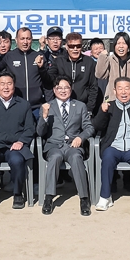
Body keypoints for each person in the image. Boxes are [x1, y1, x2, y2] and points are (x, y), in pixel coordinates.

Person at [0, 72, 35, 211]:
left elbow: (30, 128)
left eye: (9, 83)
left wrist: (21, 141)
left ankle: (17, 194)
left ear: (14, 86)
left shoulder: (23, 104)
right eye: (2, 84)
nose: (6, 87)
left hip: (14, 145)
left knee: (17, 160)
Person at [37, 77, 94, 216]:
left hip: (72, 145)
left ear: (71, 89)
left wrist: (81, 137)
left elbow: (89, 127)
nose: (63, 91)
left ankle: (84, 198)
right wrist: (44, 117)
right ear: (54, 90)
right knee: (55, 157)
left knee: (76, 157)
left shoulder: (80, 106)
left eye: (66, 87)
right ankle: (49, 197)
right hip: (54, 145)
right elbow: (40, 132)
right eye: (59, 88)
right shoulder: (47, 106)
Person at [92, 77, 130, 211]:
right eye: (120, 88)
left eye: (127, 88)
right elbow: (97, 126)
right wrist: (102, 112)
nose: (123, 92)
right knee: (107, 158)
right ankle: (105, 197)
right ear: (114, 90)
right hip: (113, 146)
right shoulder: (109, 106)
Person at [0, 27, 48, 117]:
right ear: (16, 40)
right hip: (16, 106)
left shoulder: (39, 56)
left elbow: (47, 80)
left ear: (32, 39)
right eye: (22, 39)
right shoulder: (9, 56)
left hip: (36, 107)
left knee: (37, 131)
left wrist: (41, 68)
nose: (25, 42)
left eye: (28, 38)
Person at [43, 32, 98, 114]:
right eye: (72, 46)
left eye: (78, 46)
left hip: (83, 106)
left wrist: (89, 109)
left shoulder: (89, 62)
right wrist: (41, 69)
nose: (75, 49)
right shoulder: (59, 61)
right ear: (66, 47)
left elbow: (93, 87)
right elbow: (49, 80)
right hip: (62, 106)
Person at [95, 32, 130, 106]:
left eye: (124, 43)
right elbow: (99, 74)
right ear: (114, 46)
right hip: (112, 103)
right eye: (118, 43)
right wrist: (102, 56)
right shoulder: (110, 60)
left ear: (128, 46)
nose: (121, 46)